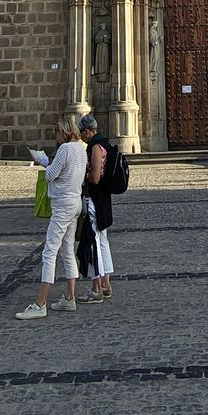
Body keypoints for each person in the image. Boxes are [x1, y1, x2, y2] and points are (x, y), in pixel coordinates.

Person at [17, 115, 86, 320]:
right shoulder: (81, 148)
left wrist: (44, 162)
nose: (55, 136)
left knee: (49, 252)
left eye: (57, 132)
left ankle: (41, 303)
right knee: (67, 250)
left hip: (63, 205)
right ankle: (69, 298)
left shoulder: (65, 149)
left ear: (63, 132)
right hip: (75, 202)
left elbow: (50, 175)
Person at [78, 113, 117, 303]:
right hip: (105, 199)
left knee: (93, 242)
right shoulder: (106, 143)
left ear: (87, 131)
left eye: (81, 133)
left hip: (95, 198)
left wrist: (82, 176)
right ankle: (106, 285)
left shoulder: (95, 147)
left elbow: (94, 178)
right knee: (103, 241)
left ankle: (96, 290)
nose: (81, 136)